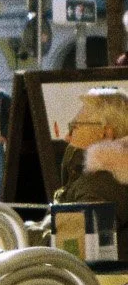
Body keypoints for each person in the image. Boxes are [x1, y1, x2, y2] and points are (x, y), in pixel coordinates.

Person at [52, 87, 128, 224]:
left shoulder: (98, 186)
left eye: (74, 126)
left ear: (105, 133)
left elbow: (73, 242)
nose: (67, 136)